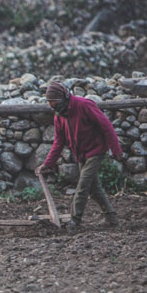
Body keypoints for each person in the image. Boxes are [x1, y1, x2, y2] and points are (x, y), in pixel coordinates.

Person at [35, 81, 122, 232]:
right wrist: (47, 164)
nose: (51, 107)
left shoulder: (84, 105)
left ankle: (75, 220)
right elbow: (58, 142)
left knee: (83, 185)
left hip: (96, 149)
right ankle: (111, 217)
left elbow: (106, 125)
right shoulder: (59, 116)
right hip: (81, 154)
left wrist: (116, 150)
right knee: (94, 188)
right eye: (50, 103)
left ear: (63, 98)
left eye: (53, 103)